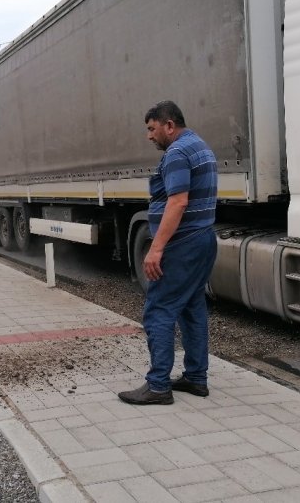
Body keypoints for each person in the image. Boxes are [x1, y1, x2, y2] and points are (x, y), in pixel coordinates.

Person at [118, 100, 218, 406]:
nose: (150, 136)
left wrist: (156, 248)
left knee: (159, 310)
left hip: (182, 244)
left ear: (169, 125)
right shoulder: (199, 145)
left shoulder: (176, 152)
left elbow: (177, 202)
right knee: (191, 308)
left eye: (152, 129)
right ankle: (196, 378)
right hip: (202, 239)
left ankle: (158, 385)